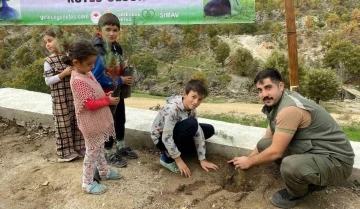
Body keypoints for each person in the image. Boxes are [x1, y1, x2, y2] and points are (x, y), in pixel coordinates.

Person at [228, 68, 354, 208]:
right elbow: (267, 137)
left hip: (337, 163)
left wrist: (250, 162)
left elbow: (276, 152)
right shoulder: (278, 104)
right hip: (316, 151)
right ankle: (306, 176)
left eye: (268, 88)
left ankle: (299, 193)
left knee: (289, 165)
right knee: (264, 144)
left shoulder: (289, 109)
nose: (264, 94)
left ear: (280, 86)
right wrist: (246, 158)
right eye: (260, 90)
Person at [66, 40, 122, 195]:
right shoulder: (77, 80)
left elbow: (94, 92)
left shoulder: (86, 73)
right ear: (76, 62)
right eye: (89, 64)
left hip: (97, 120)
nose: (92, 67)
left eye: (93, 63)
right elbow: (89, 104)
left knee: (99, 149)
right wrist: (107, 100)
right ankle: (87, 183)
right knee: (91, 154)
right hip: (89, 123)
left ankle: (104, 171)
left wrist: (104, 95)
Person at [91, 13, 137, 168]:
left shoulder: (116, 47)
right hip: (105, 94)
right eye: (108, 29)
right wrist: (120, 80)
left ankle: (121, 146)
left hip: (117, 91)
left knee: (120, 118)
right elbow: (96, 77)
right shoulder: (99, 51)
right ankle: (109, 152)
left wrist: (124, 75)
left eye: (115, 30)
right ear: (99, 30)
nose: (111, 33)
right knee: (108, 123)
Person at [150, 79, 219, 177]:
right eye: (193, 97)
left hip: (176, 132)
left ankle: (180, 151)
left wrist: (202, 159)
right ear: (185, 94)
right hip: (161, 139)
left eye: (200, 99)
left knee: (209, 129)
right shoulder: (172, 109)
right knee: (192, 124)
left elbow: (197, 131)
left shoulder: (191, 108)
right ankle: (167, 158)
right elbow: (166, 137)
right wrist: (178, 161)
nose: (196, 102)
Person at [43, 29, 85, 162]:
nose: (47, 44)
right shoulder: (49, 61)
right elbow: (48, 81)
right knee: (63, 124)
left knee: (77, 122)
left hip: (73, 95)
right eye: (46, 42)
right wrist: (63, 74)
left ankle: (78, 146)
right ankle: (64, 152)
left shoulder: (69, 56)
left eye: (50, 40)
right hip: (60, 98)